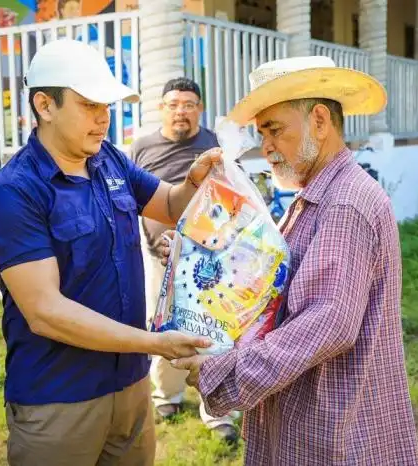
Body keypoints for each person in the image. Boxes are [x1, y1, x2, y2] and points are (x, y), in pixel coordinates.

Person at [0, 38, 221, 466]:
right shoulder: (15, 194)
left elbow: (172, 205)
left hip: (130, 385)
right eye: (89, 105)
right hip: (60, 400)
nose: (103, 119)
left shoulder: (110, 162)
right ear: (45, 106)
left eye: (107, 106)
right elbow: (45, 311)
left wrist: (194, 181)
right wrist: (154, 343)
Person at [163, 56, 418, 464]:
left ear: (320, 120)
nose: (265, 147)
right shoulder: (314, 196)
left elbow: (326, 323)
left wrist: (225, 373)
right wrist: (192, 254)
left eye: (274, 130)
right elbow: (273, 282)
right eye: (260, 133)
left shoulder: (344, 203)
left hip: (334, 430)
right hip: (308, 419)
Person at [130, 77, 239, 443]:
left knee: (215, 327)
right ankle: (168, 395)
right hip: (160, 255)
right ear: (162, 108)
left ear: (200, 109)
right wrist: (155, 239)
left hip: (210, 256)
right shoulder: (142, 146)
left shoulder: (214, 145)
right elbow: (134, 201)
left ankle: (218, 409)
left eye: (189, 104)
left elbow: (229, 198)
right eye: (174, 103)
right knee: (164, 325)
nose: (181, 110)